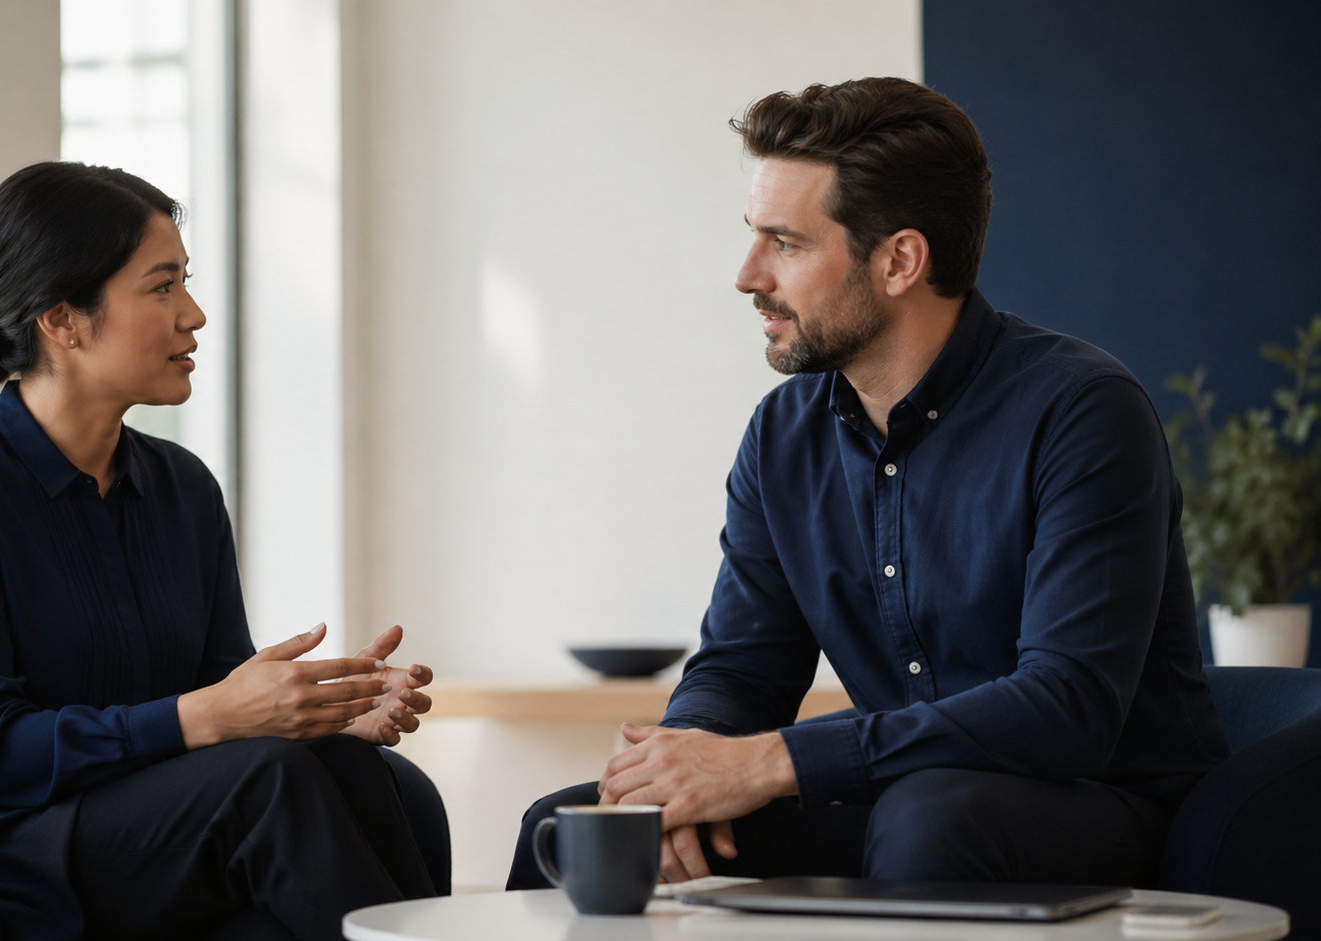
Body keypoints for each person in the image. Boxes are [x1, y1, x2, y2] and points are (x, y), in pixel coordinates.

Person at [507, 77, 1229, 889]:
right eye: (754, 236)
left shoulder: (1083, 412)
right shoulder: (783, 435)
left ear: (899, 261)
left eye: (785, 243)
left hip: (1106, 808)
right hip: (901, 800)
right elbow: (743, 670)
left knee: (934, 817)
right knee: (570, 829)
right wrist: (677, 777)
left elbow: (1066, 708)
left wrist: (772, 762)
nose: (748, 275)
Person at [0, 162, 436, 941]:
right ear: (64, 319)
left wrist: (316, 714)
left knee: (372, 779)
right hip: (0, 847)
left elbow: (219, 694)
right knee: (267, 786)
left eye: (185, 283)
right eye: (162, 287)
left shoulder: (184, 488)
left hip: (153, 824)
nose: (195, 314)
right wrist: (215, 715)